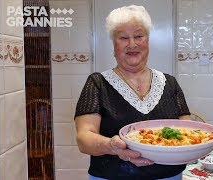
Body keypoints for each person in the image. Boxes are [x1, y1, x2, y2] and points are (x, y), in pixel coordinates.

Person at [74, 5, 191, 180]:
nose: (132, 44)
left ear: (148, 41)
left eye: (138, 36)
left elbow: (186, 131)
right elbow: (84, 139)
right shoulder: (97, 83)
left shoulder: (170, 83)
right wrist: (111, 146)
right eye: (123, 38)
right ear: (114, 45)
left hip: (169, 176)